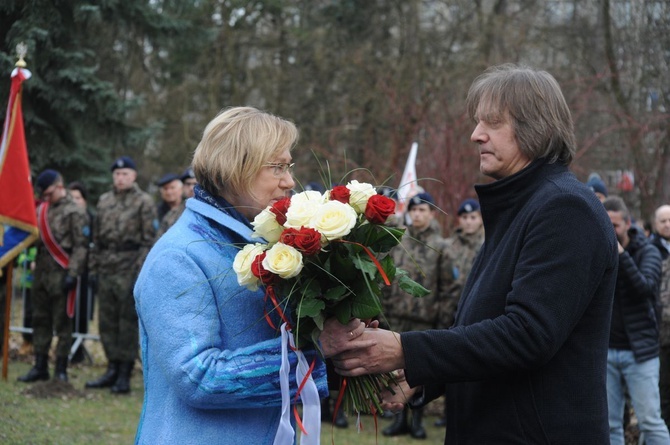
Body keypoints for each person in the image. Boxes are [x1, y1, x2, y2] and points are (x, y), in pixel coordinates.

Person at [319, 64, 619, 444]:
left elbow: (527, 335)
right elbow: (484, 324)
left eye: (491, 123)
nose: (476, 135)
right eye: (478, 122)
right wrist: (423, 375)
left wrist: (406, 351)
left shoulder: (565, 210)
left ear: (535, 126)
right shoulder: (522, 206)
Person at [132, 106, 328, 444]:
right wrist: (317, 359)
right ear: (236, 167)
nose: (289, 181)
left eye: (289, 166)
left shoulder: (257, 242)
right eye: (277, 167)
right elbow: (198, 376)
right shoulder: (179, 257)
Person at [86, 156, 157, 394]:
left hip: (129, 267)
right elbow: (95, 239)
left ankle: (125, 372)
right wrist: (94, 269)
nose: (120, 178)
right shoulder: (104, 200)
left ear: (134, 176)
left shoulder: (143, 202)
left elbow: (148, 241)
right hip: (106, 267)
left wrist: (138, 274)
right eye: (117, 174)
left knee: (127, 322)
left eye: (125, 173)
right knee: (106, 321)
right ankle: (112, 368)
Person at [602, 196, 669, 445]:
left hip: (640, 353)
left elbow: (645, 288)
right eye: (605, 224)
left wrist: (620, 255)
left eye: (615, 226)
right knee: (609, 425)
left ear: (628, 224)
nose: (610, 231)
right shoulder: (598, 252)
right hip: (607, 352)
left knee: (650, 422)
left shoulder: (648, 251)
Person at [381, 191, 447, 439]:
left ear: (431, 213)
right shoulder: (400, 241)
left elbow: (446, 288)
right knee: (395, 371)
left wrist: (442, 318)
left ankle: (417, 419)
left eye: (423, 210)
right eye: (414, 210)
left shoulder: (441, 246)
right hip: (397, 317)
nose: (418, 214)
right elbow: (387, 277)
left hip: (426, 320)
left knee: (421, 371)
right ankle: (399, 418)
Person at [18, 170, 89, 383]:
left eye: (49, 193)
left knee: (62, 323)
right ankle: (40, 365)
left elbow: (80, 247)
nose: (46, 198)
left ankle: (60, 368)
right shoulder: (42, 209)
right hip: (41, 272)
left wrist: (73, 273)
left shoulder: (75, 211)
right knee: (40, 319)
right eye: (44, 194)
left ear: (60, 186)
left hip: (62, 272)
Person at [433, 197, 485, 428]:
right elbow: (439, 282)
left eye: (473, 217)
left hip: (479, 314)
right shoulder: (448, 246)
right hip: (450, 312)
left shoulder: (489, 243)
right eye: (465, 217)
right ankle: (449, 412)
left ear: (481, 219)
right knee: (449, 365)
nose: (469, 222)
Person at [67, 181, 94, 363]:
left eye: (78, 197)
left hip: (86, 271)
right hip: (67, 269)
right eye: (71, 198)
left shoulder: (91, 218)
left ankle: (79, 346)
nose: (74, 201)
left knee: (82, 310)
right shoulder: (65, 217)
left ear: (84, 200)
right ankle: (67, 345)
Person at [651, 204, 670, 432]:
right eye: (663, 220)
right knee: (663, 388)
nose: (667, 224)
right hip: (659, 334)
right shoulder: (650, 251)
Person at [154, 173, 185, 239]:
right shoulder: (156, 211)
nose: (169, 192)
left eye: (172, 188)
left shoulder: (187, 209)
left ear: (181, 189)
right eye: (165, 189)